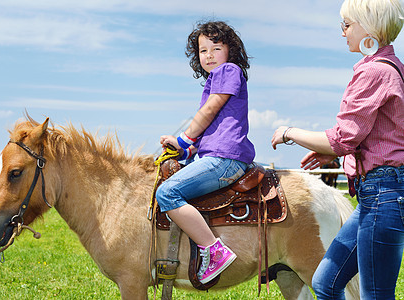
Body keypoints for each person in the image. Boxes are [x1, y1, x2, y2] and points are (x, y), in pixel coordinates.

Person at [271, 0, 404, 298]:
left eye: (346, 25)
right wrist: (335, 153)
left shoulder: (375, 73)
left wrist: (289, 133)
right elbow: (379, 135)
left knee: (376, 295)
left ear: (368, 27)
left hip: (383, 194)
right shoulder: (392, 68)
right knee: (325, 283)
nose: (342, 32)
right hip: (378, 195)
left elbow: (343, 137)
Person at [155, 21, 255, 284]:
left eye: (216, 47)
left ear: (230, 51)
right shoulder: (216, 79)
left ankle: (213, 250)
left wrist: (183, 137)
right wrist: (186, 150)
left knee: (167, 192)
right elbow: (210, 133)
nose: (208, 55)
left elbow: (209, 112)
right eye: (203, 50)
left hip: (225, 158)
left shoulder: (228, 71)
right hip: (218, 154)